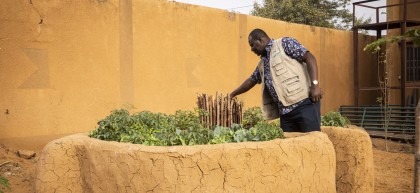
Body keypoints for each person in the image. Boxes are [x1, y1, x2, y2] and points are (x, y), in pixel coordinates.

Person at [230, 28, 323, 132]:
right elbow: (251, 81)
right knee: (290, 146)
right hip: (285, 114)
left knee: (311, 141)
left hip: (304, 106)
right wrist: (232, 94)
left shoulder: (284, 44)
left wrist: (315, 85)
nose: (251, 49)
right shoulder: (262, 63)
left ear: (261, 39)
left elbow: (310, 58)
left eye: (252, 45)